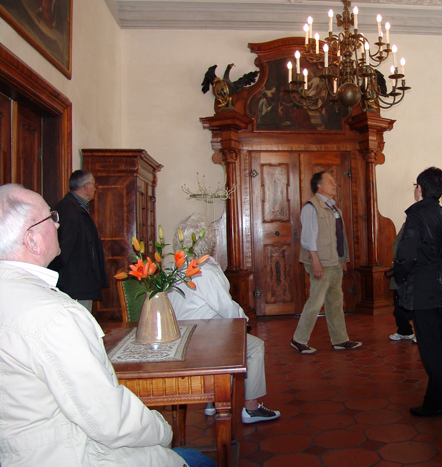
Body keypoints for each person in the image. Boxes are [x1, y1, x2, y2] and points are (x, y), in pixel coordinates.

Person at [0, 184, 207, 466]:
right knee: (197, 459)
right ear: (32, 240)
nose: (58, 223)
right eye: (51, 217)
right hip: (72, 455)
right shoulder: (54, 316)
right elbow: (109, 419)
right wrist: (164, 430)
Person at [169, 214, 280, 424]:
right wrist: (245, 322)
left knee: (225, 332)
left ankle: (212, 401)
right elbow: (227, 308)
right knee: (254, 346)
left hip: (181, 339)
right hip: (201, 343)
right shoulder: (205, 271)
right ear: (208, 241)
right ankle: (251, 408)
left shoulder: (177, 268)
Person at [394, 167, 442, 417]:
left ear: (419, 189)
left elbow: (406, 255)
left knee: (431, 347)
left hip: (424, 288)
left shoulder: (416, 217)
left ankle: (436, 401)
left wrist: (399, 276)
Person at [291, 171, 361, 353]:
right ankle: (299, 339)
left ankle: (340, 339)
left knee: (335, 301)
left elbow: (340, 238)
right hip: (320, 262)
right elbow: (307, 239)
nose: (334, 184)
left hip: (334, 262)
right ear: (319, 186)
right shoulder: (311, 207)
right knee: (316, 301)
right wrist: (315, 262)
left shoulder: (335, 209)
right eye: (330, 181)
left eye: (334, 181)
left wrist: (343, 260)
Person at [49, 170, 107, 312]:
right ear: (86, 186)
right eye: (94, 185)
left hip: (82, 281)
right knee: (81, 323)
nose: (95, 189)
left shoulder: (78, 208)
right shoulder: (69, 209)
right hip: (74, 284)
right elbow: (64, 248)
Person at [387, 224, 416, 342]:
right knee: (399, 303)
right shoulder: (407, 224)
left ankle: (420, 333)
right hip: (401, 269)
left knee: (416, 306)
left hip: (415, 272)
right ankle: (404, 330)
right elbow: (397, 244)